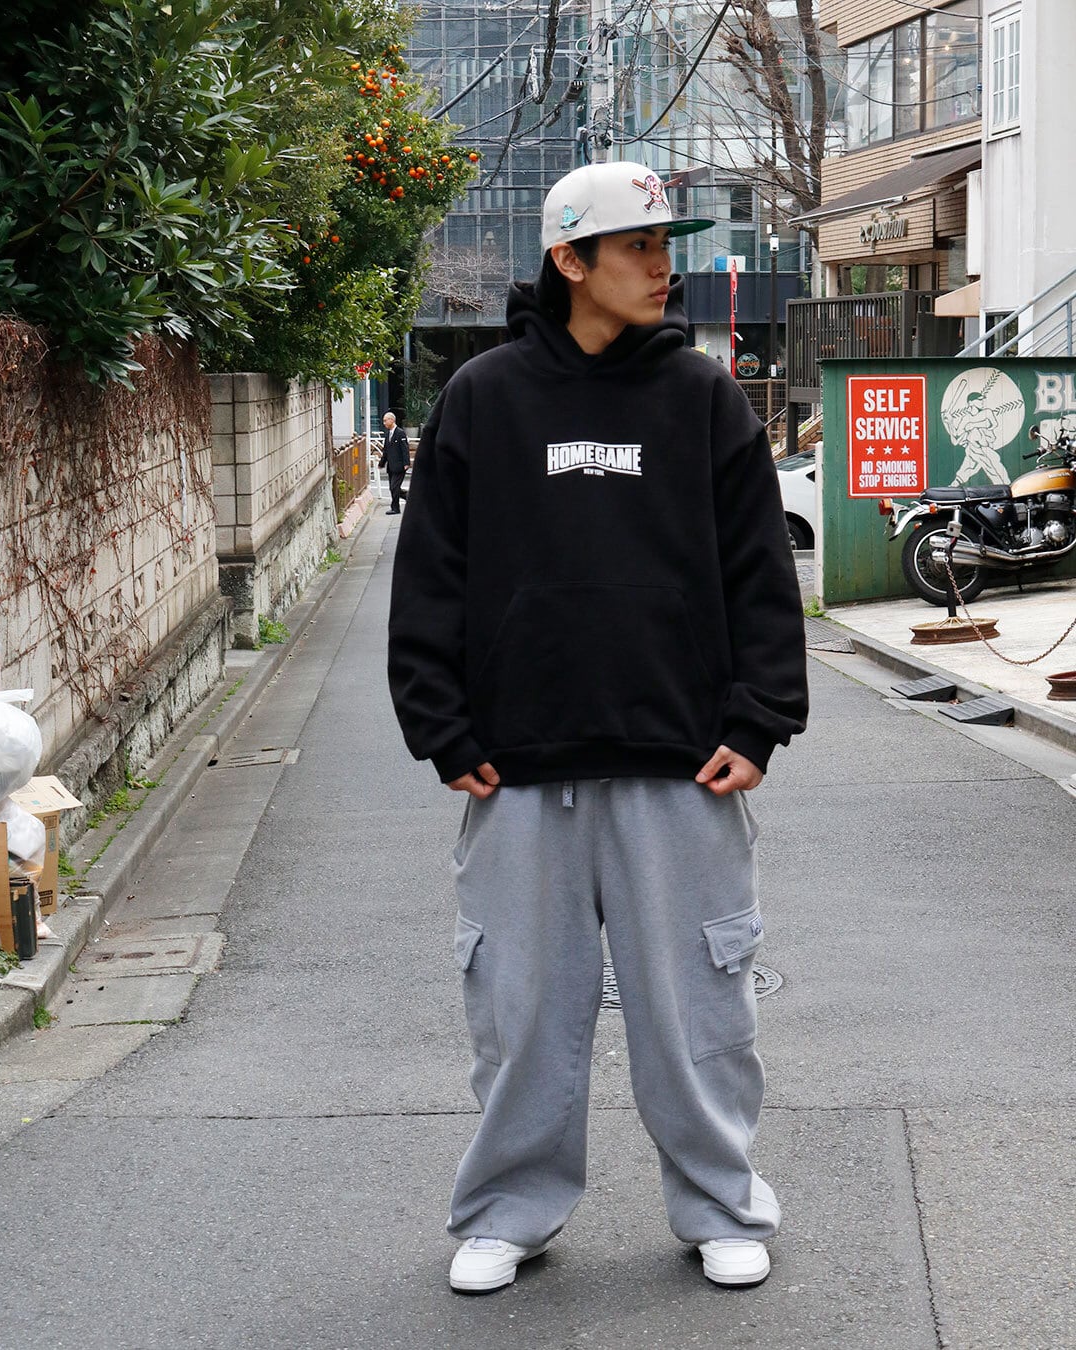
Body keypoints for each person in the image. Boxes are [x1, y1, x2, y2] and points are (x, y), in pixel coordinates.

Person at [387, 160, 808, 1295]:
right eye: (639, 247)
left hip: (683, 763)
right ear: (570, 260)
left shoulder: (703, 398)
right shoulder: (483, 399)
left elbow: (761, 576)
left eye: (668, 245)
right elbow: (430, 575)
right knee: (520, 1011)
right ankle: (507, 1212)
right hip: (517, 768)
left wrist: (759, 721)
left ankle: (721, 1204)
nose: (665, 268)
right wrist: (442, 725)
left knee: (698, 1010)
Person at [379, 411, 410, 513]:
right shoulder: (388, 434)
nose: (384, 423)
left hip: (400, 466)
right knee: (393, 488)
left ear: (392, 420)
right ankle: (410, 497)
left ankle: (395, 508)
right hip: (391, 466)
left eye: (385, 421)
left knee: (394, 487)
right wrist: (382, 463)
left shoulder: (400, 433)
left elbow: (405, 449)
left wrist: (406, 463)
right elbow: (386, 451)